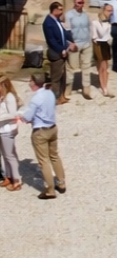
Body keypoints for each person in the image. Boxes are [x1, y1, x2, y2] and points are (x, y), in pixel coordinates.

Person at [18, 71, 65, 199]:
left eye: (30, 81)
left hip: (40, 132)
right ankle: (61, 182)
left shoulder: (36, 98)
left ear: (34, 83)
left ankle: (50, 190)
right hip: (53, 128)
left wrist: (21, 116)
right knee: (55, 156)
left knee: (44, 161)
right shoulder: (49, 93)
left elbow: (28, 117)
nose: (29, 83)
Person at [42, 1, 72, 104]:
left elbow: (63, 33)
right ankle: (53, 99)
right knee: (56, 78)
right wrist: (61, 50)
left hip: (63, 51)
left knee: (63, 76)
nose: (62, 11)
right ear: (54, 10)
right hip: (56, 53)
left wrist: (71, 41)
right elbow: (51, 40)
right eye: (60, 9)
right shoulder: (48, 23)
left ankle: (61, 96)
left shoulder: (57, 20)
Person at [64, 0, 93, 99]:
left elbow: (90, 26)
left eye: (82, 2)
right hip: (75, 43)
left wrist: (91, 38)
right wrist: (70, 43)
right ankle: (68, 88)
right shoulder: (69, 15)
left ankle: (86, 89)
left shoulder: (86, 14)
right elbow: (67, 30)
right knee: (71, 67)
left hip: (86, 43)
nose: (80, 4)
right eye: (78, 2)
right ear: (74, 3)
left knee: (86, 66)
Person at [0, 75, 22, 190]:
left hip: (8, 130)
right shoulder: (3, 96)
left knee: (10, 156)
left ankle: (16, 180)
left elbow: (13, 114)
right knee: (5, 155)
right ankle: (8, 176)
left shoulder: (9, 97)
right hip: (2, 129)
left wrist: (0, 117)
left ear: (4, 85)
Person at [91, 4, 115, 98]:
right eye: (109, 11)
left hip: (106, 44)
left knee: (106, 66)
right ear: (103, 11)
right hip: (98, 44)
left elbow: (108, 35)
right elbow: (99, 33)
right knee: (102, 66)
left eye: (111, 11)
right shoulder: (96, 22)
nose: (111, 13)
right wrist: (106, 25)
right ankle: (103, 87)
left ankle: (105, 84)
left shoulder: (108, 23)